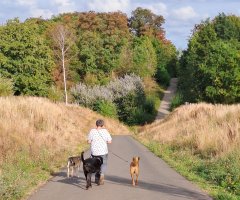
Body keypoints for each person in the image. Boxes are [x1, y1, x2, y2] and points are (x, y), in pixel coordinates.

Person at [87, 119, 112, 185]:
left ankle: (97, 179)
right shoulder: (105, 131)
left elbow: (88, 141)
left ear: (96, 124)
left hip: (94, 152)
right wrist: (104, 142)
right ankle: (102, 176)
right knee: (103, 164)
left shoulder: (92, 131)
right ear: (102, 125)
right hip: (103, 151)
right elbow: (109, 141)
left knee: (95, 165)